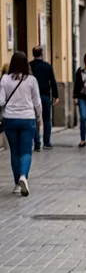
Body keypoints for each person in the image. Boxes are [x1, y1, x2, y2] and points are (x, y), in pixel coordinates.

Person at [0, 51, 41, 196]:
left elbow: (1, 101)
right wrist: (39, 117)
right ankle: (24, 176)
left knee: (15, 152)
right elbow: (37, 102)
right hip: (27, 119)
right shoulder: (31, 80)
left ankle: (17, 184)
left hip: (10, 119)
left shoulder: (5, 79)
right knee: (26, 151)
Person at [30, 46, 58, 151]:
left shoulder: (30, 66)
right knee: (46, 119)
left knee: (33, 119)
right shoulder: (47, 66)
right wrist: (56, 96)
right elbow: (53, 81)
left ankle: (37, 142)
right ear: (42, 53)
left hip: (32, 97)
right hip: (45, 95)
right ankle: (47, 142)